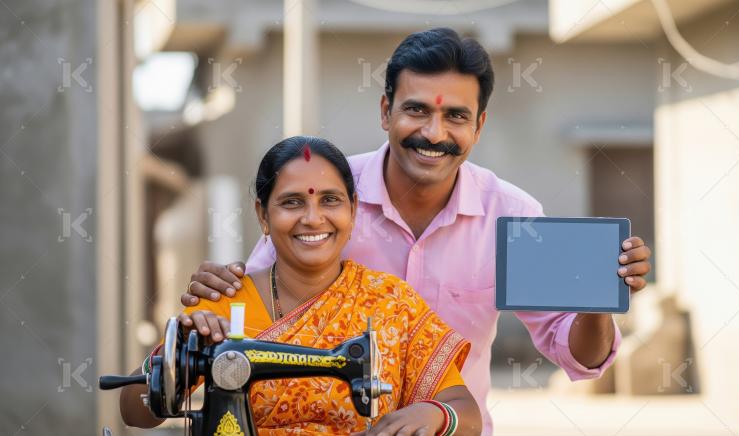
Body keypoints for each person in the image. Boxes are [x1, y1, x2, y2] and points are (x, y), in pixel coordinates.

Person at [183, 28, 652, 434]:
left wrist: (596, 301)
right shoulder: (324, 202)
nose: (433, 132)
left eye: (455, 116)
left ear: (479, 125)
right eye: (416, 110)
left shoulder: (513, 218)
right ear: (385, 112)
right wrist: (215, 303)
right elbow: (261, 318)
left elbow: (577, 356)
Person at [120, 136, 482, 435]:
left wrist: (435, 414)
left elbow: (467, 415)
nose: (312, 218)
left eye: (330, 200)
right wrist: (181, 352)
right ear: (263, 215)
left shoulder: (391, 302)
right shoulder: (226, 302)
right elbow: (135, 411)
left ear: (353, 210)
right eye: (292, 202)